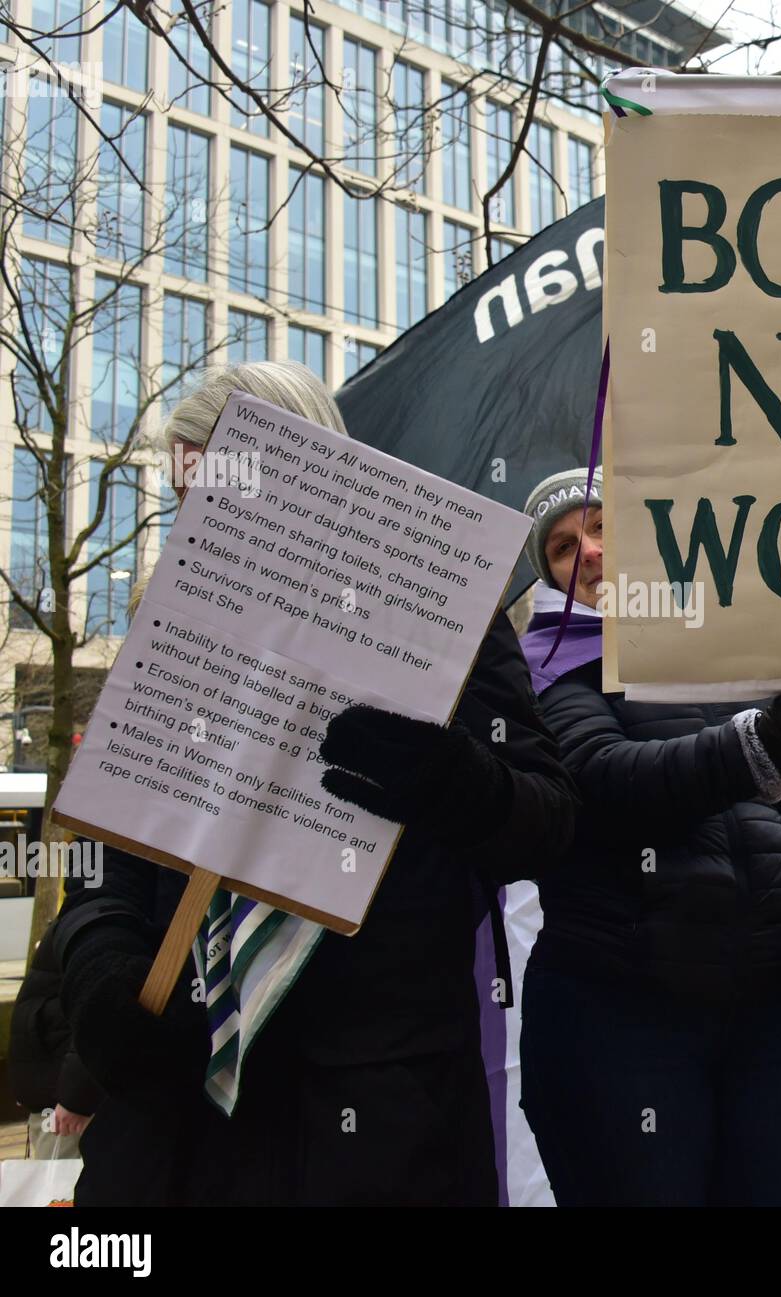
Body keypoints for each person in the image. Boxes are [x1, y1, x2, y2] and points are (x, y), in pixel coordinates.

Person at [56, 362, 578, 1206]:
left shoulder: (439, 613)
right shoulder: (172, 635)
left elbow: (549, 822)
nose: (202, 524)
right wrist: (99, 966)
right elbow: (107, 854)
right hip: (177, 1125)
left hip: (381, 1120)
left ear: (315, 476)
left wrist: (452, 779)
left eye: (223, 492)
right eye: (187, 500)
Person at [515, 467, 781, 1207]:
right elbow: (606, 778)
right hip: (624, 1017)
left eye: (604, 526)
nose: (589, 552)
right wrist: (768, 741)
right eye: (563, 547)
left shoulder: (736, 644)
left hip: (774, 1012)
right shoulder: (548, 670)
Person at [9, 909, 103, 1160]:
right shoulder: (92, 915)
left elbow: (98, 1010)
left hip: (68, 1102)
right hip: (59, 1098)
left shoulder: (96, 916)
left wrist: (76, 1096)